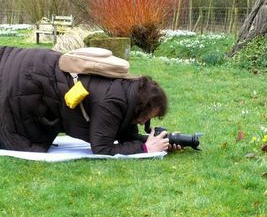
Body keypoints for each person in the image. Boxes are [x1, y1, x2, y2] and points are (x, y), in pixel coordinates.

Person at [0, 45, 172, 155]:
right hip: (26, 83)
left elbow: (126, 136)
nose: (145, 122)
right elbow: (102, 148)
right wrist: (145, 149)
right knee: (18, 134)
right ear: (141, 107)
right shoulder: (112, 101)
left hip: (36, 66)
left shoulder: (128, 92)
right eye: (147, 117)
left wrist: (164, 141)